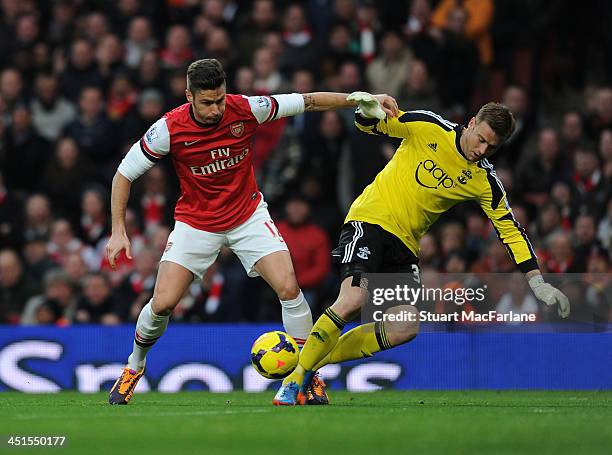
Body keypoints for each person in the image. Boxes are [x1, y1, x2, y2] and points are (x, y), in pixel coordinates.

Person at [106, 58, 398, 405]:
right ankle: (134, 367)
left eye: (220, 99)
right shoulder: (168, 129)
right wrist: (118, 230)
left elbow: (307, 101)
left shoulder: (246, 109)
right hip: (196, 223)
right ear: (189, 96)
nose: (216, 109)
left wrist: (357, 98)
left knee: (289, 288)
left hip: (248, 216)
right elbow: (123, 174)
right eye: (207, 102)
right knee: (163, 303)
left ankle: (308, 376)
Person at [273, 95, 571, 405]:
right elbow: (370, 127)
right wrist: (365, 113)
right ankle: (294, 383)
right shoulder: (428, 126)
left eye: (491, 147)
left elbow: (511, 231)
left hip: (405, 243)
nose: (482, 150)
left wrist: (537, 282)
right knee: (352, 299)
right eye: (481, 139)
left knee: (406, 325)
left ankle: (309, 364)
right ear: (471, 124)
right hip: (370, 219)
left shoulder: (484, 181)